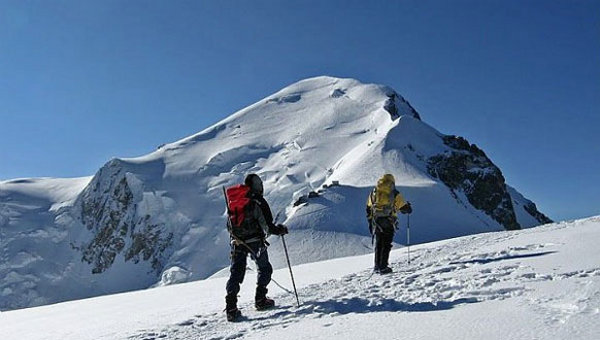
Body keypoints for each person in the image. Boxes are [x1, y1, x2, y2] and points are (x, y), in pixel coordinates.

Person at [224, 173, 288, 322]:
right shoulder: (257, 202)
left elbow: (229, 226)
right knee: (265, 268)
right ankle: (260, 300)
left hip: (237, 242)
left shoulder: (235, 202)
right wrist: (280, 230)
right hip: (255, 242)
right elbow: (268, 226)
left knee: (236, 273)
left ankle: (231, 308)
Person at [366, 173, 412, 274]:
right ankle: (383, 267)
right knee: (386, 244)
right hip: (388, 220)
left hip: (376, 220)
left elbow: (369, 207)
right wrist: (408, 207)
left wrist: (370, 222)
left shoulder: (373, 192)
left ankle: (377, 266)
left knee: (379, 243)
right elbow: (404, 208)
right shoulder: (394, 193)